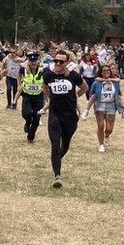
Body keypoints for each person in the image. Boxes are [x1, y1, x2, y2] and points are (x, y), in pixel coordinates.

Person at [42, 49, 87, 187]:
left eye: (61, 61)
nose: (58, 63)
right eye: (56, 60)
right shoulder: (48, 75)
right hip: (54, 115)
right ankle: (57, 176)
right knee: (55, 144)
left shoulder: (73, 75)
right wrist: (52, 98)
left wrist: (73, 98)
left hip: (70, 117)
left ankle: (56, 160)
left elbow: (85, 87)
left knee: (65, 145)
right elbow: (44, 87)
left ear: (67, 63)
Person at [84, 64, 121, 153]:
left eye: (108, 70)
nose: (106, 72)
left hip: (111, 105)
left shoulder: (115, 82)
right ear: (101, 72)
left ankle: (107, 136)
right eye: (104, 71)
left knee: (109, 128)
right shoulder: (97, 82)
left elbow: (119, 93)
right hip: (100, 105)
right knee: (100, 126)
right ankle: (101, 144)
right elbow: (91, 92)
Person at [14, 52, 45, 143]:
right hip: (27, 95)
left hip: (38, 96)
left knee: (37, 117)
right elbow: (19, 74)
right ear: (29, 61)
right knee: (26, 114)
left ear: (37, 61)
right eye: (31, 61)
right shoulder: (23, 68)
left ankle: (31, 136)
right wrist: (19, 84)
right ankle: (27, 122)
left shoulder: (42, 69)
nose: (33, 63)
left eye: (35, 60)